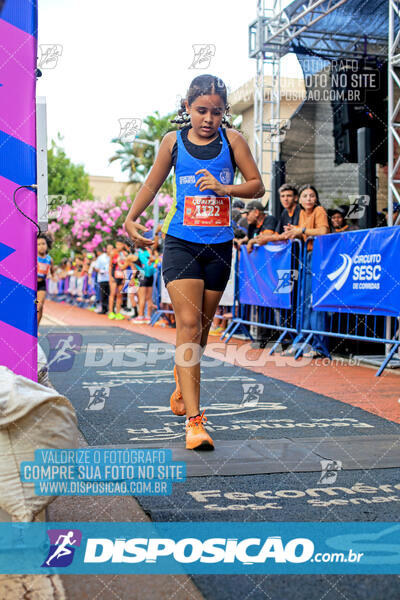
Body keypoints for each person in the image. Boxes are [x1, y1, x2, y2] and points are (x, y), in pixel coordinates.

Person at [124, 74, 264, 450]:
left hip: (218, 247)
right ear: (187, 108)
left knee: (200, 333)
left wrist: (225, 189)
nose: (208, 118)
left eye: (216, 112)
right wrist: (130, 218)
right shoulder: (172, 143)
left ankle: (181, 378)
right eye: (201, 110)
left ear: (224, 114)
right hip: (181, 243)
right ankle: (195, 422)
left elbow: (257, 185)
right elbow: (152, 184)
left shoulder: (233, 142)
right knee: (187, 325)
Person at [281, 184, 331, 358]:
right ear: (299, 200)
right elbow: (302, 234)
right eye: (305, 196)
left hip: (318, 257)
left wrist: (300, 230)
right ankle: (303, 341)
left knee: (314, 301)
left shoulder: (320, 211)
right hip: (306, 256)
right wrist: (293, 233)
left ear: (316, 198)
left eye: (311, 195)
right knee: (303, 301)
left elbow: (323, 231)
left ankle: (319, 344)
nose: (309, 198)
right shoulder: (302, 213)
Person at [247, 184, 301, 251]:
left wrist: (267, 238)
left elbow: (292, 234)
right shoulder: (284, 212)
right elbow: (276, 234)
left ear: (296, 198)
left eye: (289, 196)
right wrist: (260, 238)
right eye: (282, 196)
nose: (285, 199)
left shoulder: (300, 210)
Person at [37, 233, 54, 326]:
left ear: (47, 245)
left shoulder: (49, 259)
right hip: (31, 284)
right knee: (33, 307)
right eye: (38, 244)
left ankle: (35, 328)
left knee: (39, 306)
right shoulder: (33, 257)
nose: (41, 247)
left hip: (41, 284)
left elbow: (52, 271)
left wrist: (51, 275)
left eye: (43, 244)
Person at [108, 239, 127, 320]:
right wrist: (110, 277)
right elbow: (110, 266)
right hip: (114, 276)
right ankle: (111, 312)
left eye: (120, 245)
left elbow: (126, 266)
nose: (119, 246)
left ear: (123, 245)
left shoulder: (124, 254)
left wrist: (125, 277)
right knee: (112, 294)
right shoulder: (113, 253)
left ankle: (118, 312)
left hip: (121, 276)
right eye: (117, 244)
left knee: (119, 295)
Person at [93, 244, 113, 314]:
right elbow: (96, 267)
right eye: (109, 249)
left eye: (111, 249)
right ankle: (104, 309)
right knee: (103, 294)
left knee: (111, 294)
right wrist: (101, 271)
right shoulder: (101, 257)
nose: (110, 250)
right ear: (106, 249)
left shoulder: (114, 256)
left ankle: (111, 309)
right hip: (103, 279)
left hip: (111, 279)